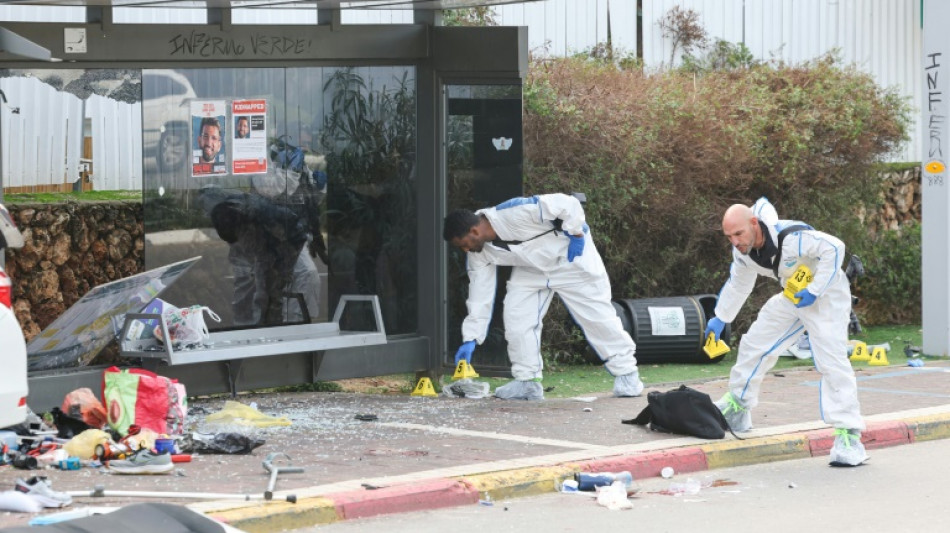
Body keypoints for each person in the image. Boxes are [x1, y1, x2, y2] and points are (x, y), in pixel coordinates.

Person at [704, 197, 867, 467]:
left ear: (754, 224)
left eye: (739, 233)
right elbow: (738, 285)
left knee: (831, 361)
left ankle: (849, 436)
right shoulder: (744, 253)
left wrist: (814, 291)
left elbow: (835, 248)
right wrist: (720, 318)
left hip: (827, 297)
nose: (734, 241)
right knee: (755, 342)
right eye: (729, 236)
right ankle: (738, 406)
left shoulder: (792, 239)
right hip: (794, 296)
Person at [443, 193, 643, 401]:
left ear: (474, 230)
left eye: (463, 244)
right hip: (531, 269)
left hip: (571, 259)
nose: (465, 250)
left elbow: (569, 204)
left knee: (597, 318)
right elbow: (479, 293)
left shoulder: (516, 211)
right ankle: (527, 381)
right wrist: (471, 337)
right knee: (517, 318)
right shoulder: (479, 253)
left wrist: (575, 234)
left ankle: (627, 374)